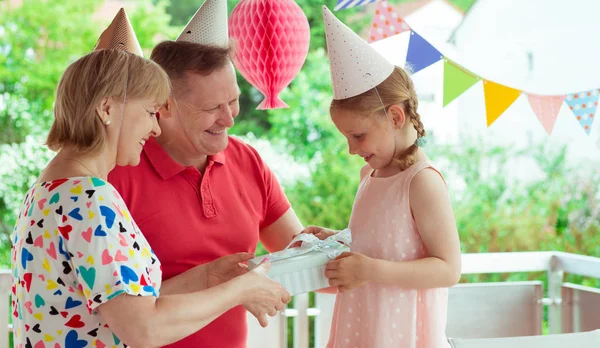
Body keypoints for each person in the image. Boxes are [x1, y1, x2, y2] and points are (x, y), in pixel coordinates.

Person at [11, 9, 289, 348]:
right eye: (148, 112)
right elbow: (144, 329)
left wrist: (208, 277)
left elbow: (112, 308)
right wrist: (240, 290)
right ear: (108, 109)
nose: (155, 127)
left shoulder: (49, 191)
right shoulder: (91, 200)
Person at [108, 1, 303, 346]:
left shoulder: (248, 161)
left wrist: (318, 249)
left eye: (233, 101)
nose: (230, 119)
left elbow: (293, 254)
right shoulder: (118, 175)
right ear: (164, 105)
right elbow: (120, 314)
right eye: (213, 107)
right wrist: (226, 287)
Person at [301, 7, 462, 348]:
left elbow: (448, 269)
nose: (350, 149)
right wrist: (338, 241)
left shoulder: (422, 181)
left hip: (400, 334)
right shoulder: (370, 173)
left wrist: (371, 270)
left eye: (357, 136)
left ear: (395, 116)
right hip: (362, 326)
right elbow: (384, 242)